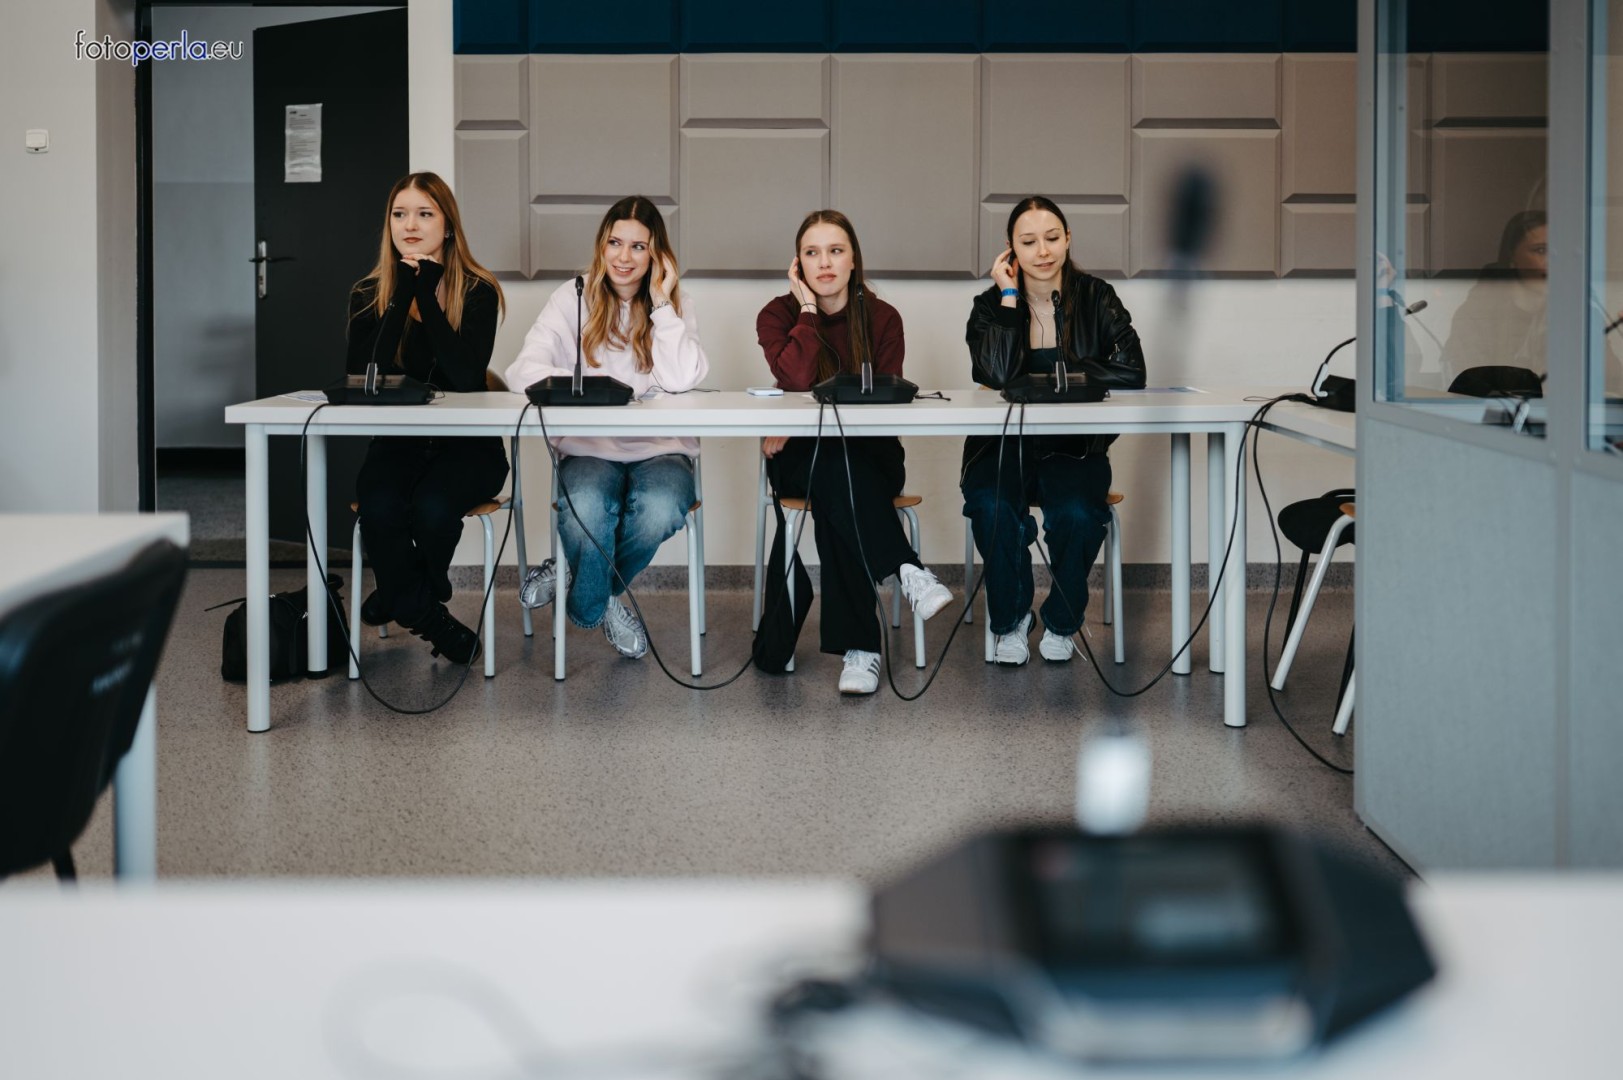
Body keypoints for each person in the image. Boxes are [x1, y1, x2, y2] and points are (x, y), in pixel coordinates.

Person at [756, 209, 953, 695]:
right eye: (812, 253)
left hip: (869, 456)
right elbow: (795, 377)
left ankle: (862, 648)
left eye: (835, 251)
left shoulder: (883, 318)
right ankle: (906, 569)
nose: (824, 263)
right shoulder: (777, 315)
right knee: (833, 472)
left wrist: (798, 421)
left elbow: (883, 405)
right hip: (801, 460)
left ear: (853, 259)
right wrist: (807, 311)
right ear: (798, 264)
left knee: (838, 481)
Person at [506, 196, 707, 660]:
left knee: (659, 509)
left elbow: (682, 378)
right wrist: (589, 389)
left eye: (639, 247)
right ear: (601, 245)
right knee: (587, 507)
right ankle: (604, 594)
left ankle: (581, 584)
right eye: (615, 243)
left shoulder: (676, 304)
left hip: (662, 449)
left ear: (657, 255)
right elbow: (522, 371)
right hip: (588, 447)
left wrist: (662, 304)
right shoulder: (572, 296)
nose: (624, 257)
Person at [963, 196, 1146, 666]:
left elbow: (1133, 370)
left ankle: (1063, 621)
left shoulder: (1097, 296)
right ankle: (1011, 620)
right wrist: (1009, 299)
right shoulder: (989, 306)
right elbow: (996, 374)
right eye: (1028, 242)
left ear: (1068, 239)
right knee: (992, 506)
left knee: (1079, 515)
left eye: (1051, 238)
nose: (1042, 251)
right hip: (1001, 447)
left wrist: (1050, 373)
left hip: (1076, 448)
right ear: (1010, 249)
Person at [348, 171, 507, 665]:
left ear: (448, 225)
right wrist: (402, 294)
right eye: (399, 214)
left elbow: (465, 377)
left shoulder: (478, 290)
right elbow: (363, 374)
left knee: (433, 509)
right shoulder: (368, 292)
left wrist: (427, 297)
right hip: (399, 442)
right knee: (379, 507)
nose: (410, 225)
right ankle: (425, 610)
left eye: (424, 214)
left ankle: (400, 593)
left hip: (469, 446)